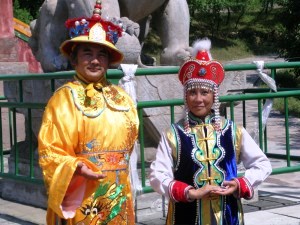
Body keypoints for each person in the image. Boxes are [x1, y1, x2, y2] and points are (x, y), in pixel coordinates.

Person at [149, 38, 272, 225]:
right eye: (192, 92)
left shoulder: (233, 131)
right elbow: (158, 175)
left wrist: (240, 183)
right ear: (185, 96)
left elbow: (262, 164)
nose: (198, 99)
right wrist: (190, 192)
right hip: (185, 215)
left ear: (214, 96)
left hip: (226, 213)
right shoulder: (174, 134)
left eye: (204, 93)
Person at [38, 1, 139, 224]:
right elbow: (50, 153)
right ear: (74, 58)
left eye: (102, 54)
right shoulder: (63, 99)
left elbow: (131, 143)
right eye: (87, 53)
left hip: (119, 192)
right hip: (82, 194)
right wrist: (77, 167)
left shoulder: (122, 98)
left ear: (109, 60)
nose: (95, 60)